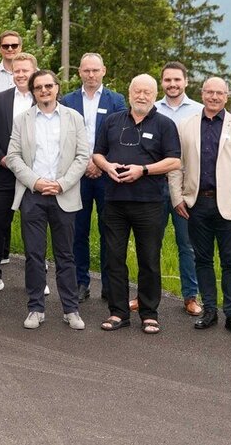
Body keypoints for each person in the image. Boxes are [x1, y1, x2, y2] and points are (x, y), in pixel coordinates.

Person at [91, 74, 181, 334]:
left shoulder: (165, 124)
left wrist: (143, 169)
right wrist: (107, 166)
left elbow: (174, 161)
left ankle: (149, 313)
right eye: (137, 91)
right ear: (129, 93)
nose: (142, 96)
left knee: (149, 259)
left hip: (149, 202)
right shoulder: (112, 121)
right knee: (114, 258)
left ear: (155, 96)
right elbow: (98, 153)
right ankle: (118, 312)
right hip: (115, 201)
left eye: (147, 92)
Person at [167, 77, 231, 336]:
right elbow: (177, 165)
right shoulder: (186, 125)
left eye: (219, 93)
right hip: (197, 202)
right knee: (202, 259)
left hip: (229, 204)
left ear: (227, 96)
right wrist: (177, 198)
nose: (214, 97)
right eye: (210, 92)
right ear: (202, 94)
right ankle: (209, 310)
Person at [5, 69, 89, 330]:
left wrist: (61, 184)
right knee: (33, 255)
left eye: (48, 86)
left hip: (64, 195)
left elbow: (83, 156)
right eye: (38, 87)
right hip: (33, 196)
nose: (44, 91)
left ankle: (71, 310)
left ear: (57, 88)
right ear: (32, 91)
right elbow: (13, 156)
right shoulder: (22, 120)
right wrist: (36, 182)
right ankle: (35, 308)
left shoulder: (74, 118)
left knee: (65, 255)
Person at [58, 52, 126, 301]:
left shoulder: (117, 100)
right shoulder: (67, 100)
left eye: (95, 70)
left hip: (107, 175)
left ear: (103, 71)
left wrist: (99, 163)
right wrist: (84, 163)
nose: (91, 75)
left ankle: (109, 285)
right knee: (78, 231)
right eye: (86, 70)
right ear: (79, 73)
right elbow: (63, 136)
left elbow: (120, 136)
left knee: (110, 231)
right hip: (77, 175)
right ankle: (80, 282)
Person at [0, 52, 36, 294]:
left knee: (33, 223)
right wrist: (1, 158)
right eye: (17, 70)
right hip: (2, 171)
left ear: (34, 72)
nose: (21, 74)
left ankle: (37, 277)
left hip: (33, 174)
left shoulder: (45, 97)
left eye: (26, 70)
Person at [154, 60, 204, 316]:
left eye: (177, 80)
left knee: (188, 245)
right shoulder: (150, 108)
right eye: (167, 80)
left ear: (186, 81)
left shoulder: (199, 111)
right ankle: (146, 295)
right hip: (153, 188)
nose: (172, 84)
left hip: (186, 190)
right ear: (161, 82)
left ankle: (190, 297)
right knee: (151, 243)